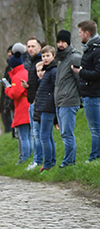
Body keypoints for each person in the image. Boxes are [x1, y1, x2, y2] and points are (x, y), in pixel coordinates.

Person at [72, 20, 100, 163]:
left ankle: (94, 157)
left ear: (87, 33)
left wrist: (80, 72)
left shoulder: (96, 50)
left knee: (95, 129)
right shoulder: (90, 49)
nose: (79, 35)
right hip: (89, 94)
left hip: (93, 95)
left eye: (80, 32)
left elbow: (97, 73)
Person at [54, 30, 82, 168]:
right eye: (58, 41)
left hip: (69, 101)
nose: (60, 44)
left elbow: (80, 81)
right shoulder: (60, 59)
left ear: (68, 42)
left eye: (63, 41)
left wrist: (80, 100)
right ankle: (68, 162)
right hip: (60, 101)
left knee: (67, 133)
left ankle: (69, 163)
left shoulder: (74, 57)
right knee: (64, 134)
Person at [4, 43, 32, 163]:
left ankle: (24, 159)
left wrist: (7, 88)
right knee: (30, 136)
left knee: (23, 136)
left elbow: (15, 94)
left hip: (22, 107)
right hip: (29, 106)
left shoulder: (17, 76)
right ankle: (31, 159)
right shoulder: (25, 72)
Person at [34, 45, 58, 172]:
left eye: (48, 55)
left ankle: (48, 164)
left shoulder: (53, 71)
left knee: (44, 136)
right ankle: (51, 162)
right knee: (47, 136)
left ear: (53, 56)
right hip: (44, 107)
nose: (45, 58)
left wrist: (51, 104)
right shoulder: (48, 70)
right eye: (43, 56)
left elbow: (55, 89)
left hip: (48, 108)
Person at [21, 37, 43, 169]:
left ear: (39, 48)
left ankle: (38, 161)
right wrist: (28, 86)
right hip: (32, 101)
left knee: (37, 134)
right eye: (28, 46)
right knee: (35, 133)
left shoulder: (40, 62)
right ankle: (37, 160)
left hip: (38, 102)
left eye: (33, 46)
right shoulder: (31, 61)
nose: (30, 49)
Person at [0, 45, 15, 134]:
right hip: (5, 98)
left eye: (11, 52)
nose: (9, 54)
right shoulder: (7, 68)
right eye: (8, 52)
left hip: (11, 98)